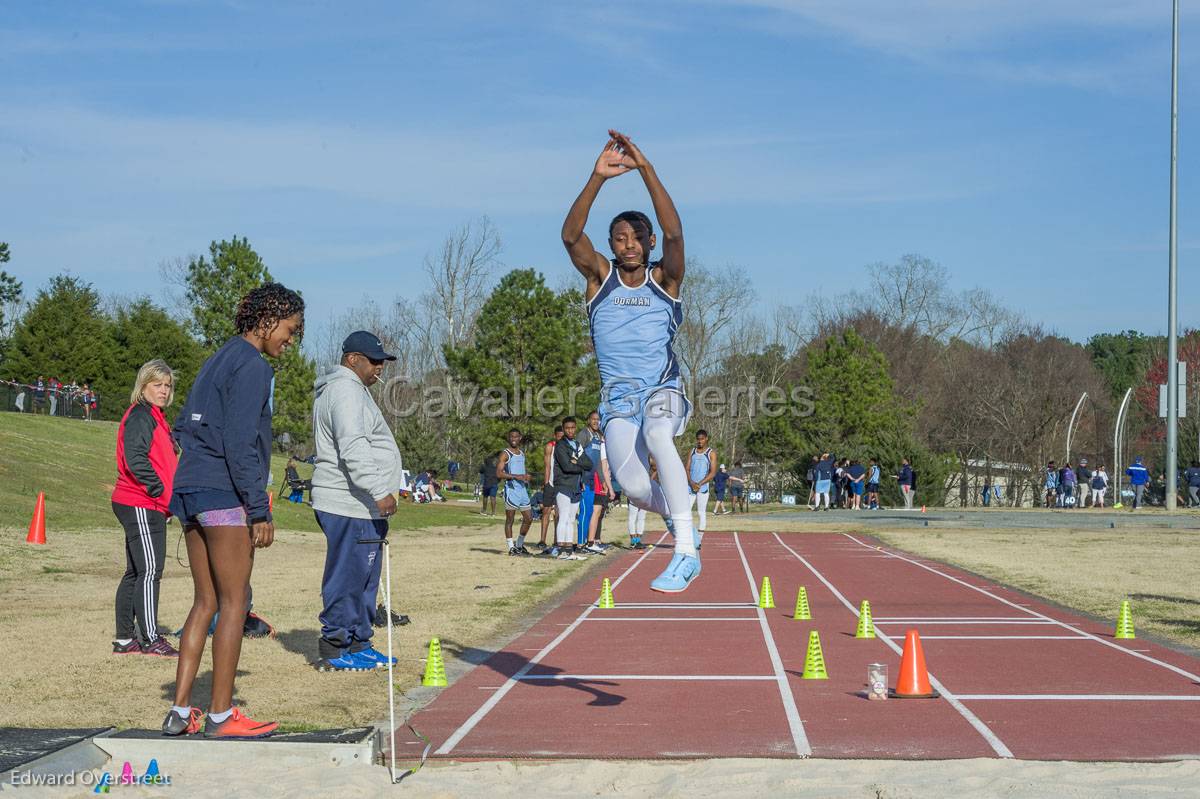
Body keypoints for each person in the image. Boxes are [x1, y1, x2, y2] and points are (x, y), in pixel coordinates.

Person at [164, 282, 304, 739]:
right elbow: (241, 442)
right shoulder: (253, 367)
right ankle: (221, 716)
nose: (292, 339)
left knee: (205, 602)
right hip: (224, 493)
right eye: (291, 328)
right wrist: (259, 508)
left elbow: (184, 426)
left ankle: (180, 712)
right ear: (268, 319)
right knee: (234, 602)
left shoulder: (216, 359)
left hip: (189, 488)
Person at [562, 130, 697, 592]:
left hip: (663, 389)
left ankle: (686, 553)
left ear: (650, 239)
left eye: (638, 236)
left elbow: (677, 232)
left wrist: (646, 170)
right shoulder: (600, 277)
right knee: (635, 489)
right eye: (621, 238)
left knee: (660, 434)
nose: (630, 244)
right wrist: (597, 178)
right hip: (618, 400)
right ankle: (683, 520)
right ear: (613, 244)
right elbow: (569, 236)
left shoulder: (666, 279)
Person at [310, 330, 404, 672]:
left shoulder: (354, 391)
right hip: (348, 501)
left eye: (383, 362)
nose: (380, 368)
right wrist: (379, 490)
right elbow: (353, 446)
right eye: (375, 361)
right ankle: (335, 648)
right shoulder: (345, 391)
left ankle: (359, 642)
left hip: (358, 504)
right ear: (353, 360)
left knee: (364, 576)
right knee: (348, 576)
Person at [111, 360, 180, 658]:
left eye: (167, 386)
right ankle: (151, 639)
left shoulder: (157, 417)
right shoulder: (141, 415)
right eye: (157, 385)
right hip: (140, 501)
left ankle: (125, 639)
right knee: (150, 570)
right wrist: (158, 490)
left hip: (146, 503)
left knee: (136, 571)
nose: (163, 391)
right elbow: (134, 458)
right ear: (143, 386)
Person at [547, 416, 591, 560]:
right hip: (563, 485)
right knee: (564, 517)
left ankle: (569, 551)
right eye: (567, 428)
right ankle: (561, 550)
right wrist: (579, 465)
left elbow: (589, 464)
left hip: (576, 486)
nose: (570, 430)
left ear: (576, 428)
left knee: (572, 519)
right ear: (564, 429)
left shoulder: (577, 445)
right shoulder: (560, 445)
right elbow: (566, 466)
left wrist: (576, 461)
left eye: (572, 428)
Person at [497, 429, 534, 556]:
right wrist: (515, 476)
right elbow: (499, 473)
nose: (514, 439)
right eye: (511, 436)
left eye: (516, 436)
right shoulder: (505, 454)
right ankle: (511, 547)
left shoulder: (522, 453)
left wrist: (526, 476)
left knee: (529, 518)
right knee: (510, 520)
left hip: (523, 490)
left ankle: (519, 544)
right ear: (508, 437)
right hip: (512, 491)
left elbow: (521, 471)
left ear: (520, 438)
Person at [576, 411, 604, 549]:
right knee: (585, 511)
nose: (596, 422)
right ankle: (580, 544)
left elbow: (598, 462)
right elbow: (577, 454)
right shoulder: (584, 434)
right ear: (588, 420)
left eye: (598, 420)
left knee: (590, 512)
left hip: (593, 479)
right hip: (584, 478)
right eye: (593, 419)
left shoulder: (598, 436)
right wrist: (580, 477)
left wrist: (603, 480)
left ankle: (588, 542)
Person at [584, 432, 616, 553]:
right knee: (596, 512)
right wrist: (609, 487)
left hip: (602, 481)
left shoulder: (608, 447)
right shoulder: (603, 446)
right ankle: (591, 542)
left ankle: (595, 540)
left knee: (600, 513)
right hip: (599, 481)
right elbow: (603, 468)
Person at [687, 430, 717, 542]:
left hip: (703, 488)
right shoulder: (693, 451)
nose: (700, 441)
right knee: (686, 511)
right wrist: (691, 482)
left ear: (706, 439)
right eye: (698, 439)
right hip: (690, 486)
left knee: (701, 512)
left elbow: (713, 473)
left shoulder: (711, 453)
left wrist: (699, 484)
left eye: (702, 439)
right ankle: (690, 535)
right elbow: (687, 469)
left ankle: (699, 539)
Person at [538, 426, 564, 551]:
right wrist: (546, 483)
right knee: (546, 512)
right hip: (551, 483)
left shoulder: (567, 447)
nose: (561, 439)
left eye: (562, 437)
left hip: (562, 485)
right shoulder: (550, 446)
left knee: (559, 513)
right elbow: (547, 466)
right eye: (559, 436)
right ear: (555, 436)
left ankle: (556, 540)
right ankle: (542, 540)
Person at [479, 452, 499, 516]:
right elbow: (499, 476)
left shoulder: (484, 467)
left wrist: (482, 465)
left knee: (485, 497)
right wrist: (497, 481)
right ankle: (493, 513)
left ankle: (484, 511)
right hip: (494, 483)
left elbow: (480, 471)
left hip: (486, 484)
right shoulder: (495, 468)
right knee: (493, 497)